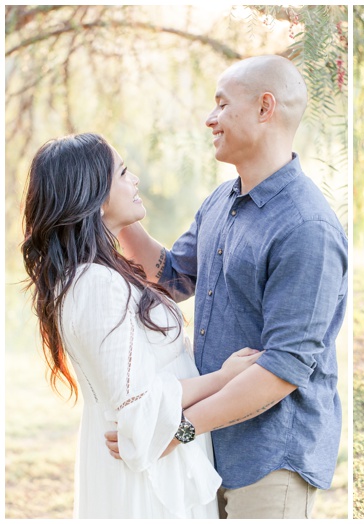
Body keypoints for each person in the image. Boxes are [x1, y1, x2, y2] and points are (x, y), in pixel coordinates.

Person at [107, 55, 348, 519]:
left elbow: (282, 369)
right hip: (213, 442)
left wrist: (174, 431)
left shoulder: (307, 227)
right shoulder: (224, 200)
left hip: (270, 458)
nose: (209, 118)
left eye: (221, 104)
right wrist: (118, 216)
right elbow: (174, 277)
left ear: (264, 108)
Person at [21, 133, 262, 518]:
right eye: (123, 173)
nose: (135, 182)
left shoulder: (91, 276)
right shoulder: (96, 284)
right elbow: (141, 406)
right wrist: (225, 377)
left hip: (155, 466)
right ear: (96, 198)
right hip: (148, 479)